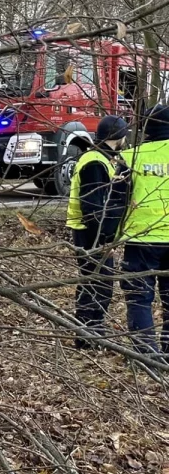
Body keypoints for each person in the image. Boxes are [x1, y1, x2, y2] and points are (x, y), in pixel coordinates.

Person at [65, 115, 130, 350]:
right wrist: (103, 237)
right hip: (91, 233)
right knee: (97, 284)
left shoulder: (102, 159)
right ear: (118, 136)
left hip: (89, 231)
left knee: (94, 283)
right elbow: (93, 207)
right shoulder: (95, 162)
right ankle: (89, 337)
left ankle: (90, 333)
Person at [121, 104, 169, 357]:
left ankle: (146, 355)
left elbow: (117, 200)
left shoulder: (132, 156)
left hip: (141, 238)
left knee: (139, 297)